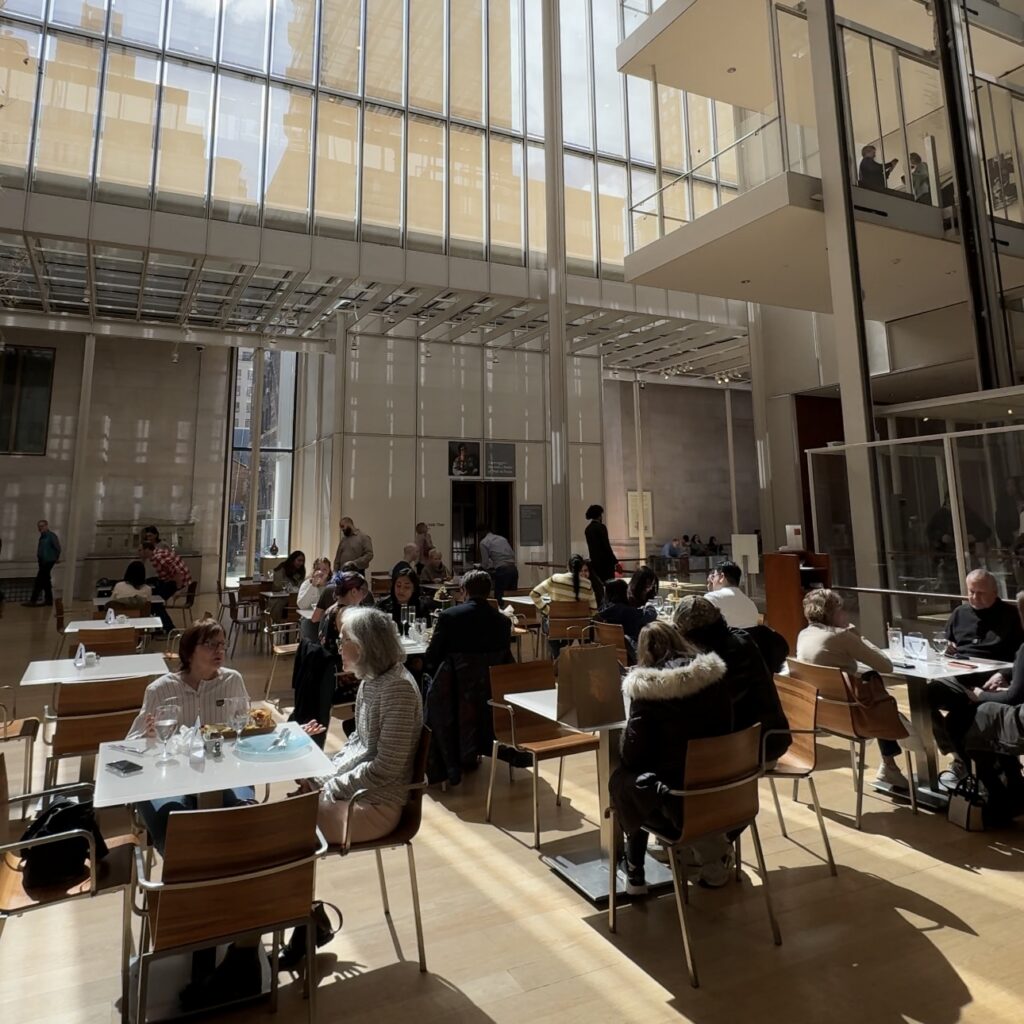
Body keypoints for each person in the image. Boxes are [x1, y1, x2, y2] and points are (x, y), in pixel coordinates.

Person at [281, 607, 423, 968]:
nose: (338, 645)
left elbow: (385, 768)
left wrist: (331, 786)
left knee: (283, 828)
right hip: (359, 793)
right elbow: (358, 744)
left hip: (379, 804)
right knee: (283, 817)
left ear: (364, 646)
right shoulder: (373, 681)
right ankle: (303, 916)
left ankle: (304, 921)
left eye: (344, 639)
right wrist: (325, 774)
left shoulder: (400, 691)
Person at [609, 621, 733, 895]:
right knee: (642, 779)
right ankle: (706, 853)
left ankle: (634, 871)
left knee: (625, 780)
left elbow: (632, 754)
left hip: (677, 801)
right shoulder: (714, 678)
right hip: (727, 791)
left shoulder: (647, 692)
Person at [128, 620, 254, 852]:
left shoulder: (232, 681)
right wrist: (149, 736)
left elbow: (246, 728)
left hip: (223, 771)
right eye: (210, 644)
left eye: (222, 645)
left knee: (244, 814)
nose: (219, 651)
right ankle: (186, 880)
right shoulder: (160, 689)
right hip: (170, 777)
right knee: (175, 827)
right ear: (188, 651)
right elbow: (131, 744)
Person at [795, 588, 908, 789]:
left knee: (872, 690)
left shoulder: (803, 635)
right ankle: (903, 758)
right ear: (834, 612)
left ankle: (890, 765)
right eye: (842, 609)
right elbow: (886, 665)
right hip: (857, 717)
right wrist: (858, 635)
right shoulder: (840, 636)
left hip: (823, 715)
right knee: (886, 701)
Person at [928, 569, 1024, 784]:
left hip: (993, 679)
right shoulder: (960, 613)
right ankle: (957, 756)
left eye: (980, 593)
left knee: (962, 718)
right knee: (926, 696)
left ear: (994, 592)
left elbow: (1021, 656)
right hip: (959, 675)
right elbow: (947, 641)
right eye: (971, 592)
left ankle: (987, 767)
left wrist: (1004, 673)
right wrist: (949, 648)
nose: (974, 597)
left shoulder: (1011, 616)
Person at [674, 596, 791, 769]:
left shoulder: (712, 659)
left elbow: (704, 709)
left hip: (752, 749)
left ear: (687, 634)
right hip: (770, 740)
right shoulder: (740, 639)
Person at [291, 571, 371, 746]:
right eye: (362, 593)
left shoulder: (330, 609)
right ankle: (360, 728)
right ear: (354, 592)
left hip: (323, 671)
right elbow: (356, 647)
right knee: (377, 681)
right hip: (337, 678)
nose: (363, 598)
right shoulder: (346, 615)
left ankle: (357, 726)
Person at [423, 569, 512, 676]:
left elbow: (432, 656)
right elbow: (504, 659)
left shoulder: (448, 617)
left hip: (456, 684)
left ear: (464, 590)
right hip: (492, 684)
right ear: (489, 592)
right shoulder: (504, 621)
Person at [112, 560, 175, 632]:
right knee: (158, 607)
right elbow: (148, 604)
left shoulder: (119, 586)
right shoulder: (147, 589)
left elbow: (112, 602)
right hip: (141, 621)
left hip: (121, 620)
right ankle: (167, 627)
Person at [595, 577, 654, 646]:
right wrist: (649, 605)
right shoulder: (626, 611)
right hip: (630, 651)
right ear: (624, 592)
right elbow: (650, 616)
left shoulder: (602, 611)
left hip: (609, 650)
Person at [704, 560, 760, 629]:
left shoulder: (712, 598)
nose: (712, 581)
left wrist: (710, 593)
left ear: (721, 577)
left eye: (713, 576)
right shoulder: (751, 604)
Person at [376, 567, 434, 631]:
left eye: (406, 587)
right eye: (398, 585)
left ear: (414, 589)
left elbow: (427, 631)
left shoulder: (422, 607)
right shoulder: (383, 606)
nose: (401, 590)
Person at [24, 519, 61, 607]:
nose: (40, 528)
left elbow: (57, 547)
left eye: (42, 526)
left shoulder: (51, 536)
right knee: (46, 580)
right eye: (39, 526)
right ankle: (49, 600)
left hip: (48, 561)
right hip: (42, 561)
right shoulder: (42, 537)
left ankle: (33, 600)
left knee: (39, 580)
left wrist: (56, 558)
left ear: (46, 526)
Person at [478, 525, 518, 601]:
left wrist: (477, 570)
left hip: (503, 571)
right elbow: (511, 554)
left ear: (482, 532)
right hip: (513, 570)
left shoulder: (483, 542)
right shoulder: (502, 539)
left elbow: (485, 563)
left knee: (500, 598)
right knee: (512, 598)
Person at [297, 561, 332, 641]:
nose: (321, 572)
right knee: (309, 625)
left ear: (329, 571)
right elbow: (301, 605)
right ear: (314, 571)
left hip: (327, 619)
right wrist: (313, 586)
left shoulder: (331, 586)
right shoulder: (307, 584)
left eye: (324, 569)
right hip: (309, 619)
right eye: (318, 569)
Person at [584, 504, 618, 585]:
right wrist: (615, 561)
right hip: (606, 564)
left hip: (595, 563)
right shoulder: (601, 527)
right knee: (609, 585)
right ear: (599, 515)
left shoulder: (588, 529)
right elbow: (606, 546)